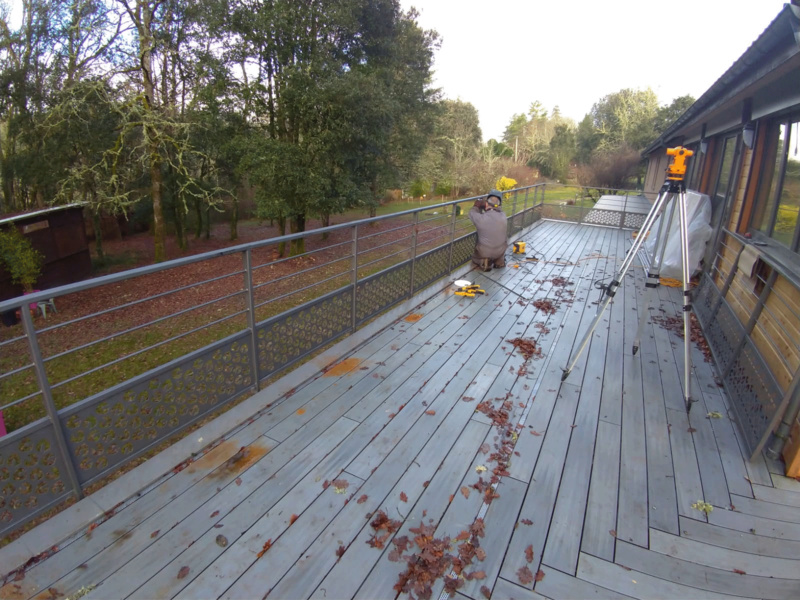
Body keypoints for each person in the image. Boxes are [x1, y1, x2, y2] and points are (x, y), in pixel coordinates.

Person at [469, 189, 508, 271]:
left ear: (486, 203)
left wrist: (476, 206)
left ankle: (485, 261)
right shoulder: (503, 216)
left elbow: (471, 213)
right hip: (500, 252)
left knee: (477, 254)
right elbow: (496, 211)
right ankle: (499, 261)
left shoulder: (481, 218)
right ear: (499, 204)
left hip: (485, 252)